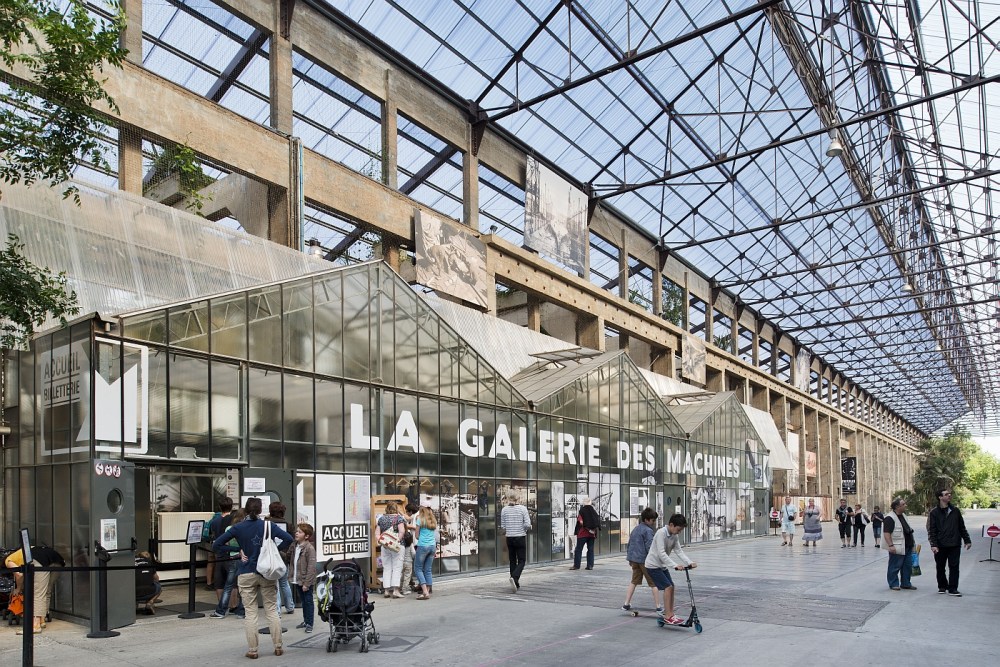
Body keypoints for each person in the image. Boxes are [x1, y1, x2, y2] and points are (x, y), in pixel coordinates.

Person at [212, 497, 293, 659]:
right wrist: (275, 550)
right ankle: (278, 647)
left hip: (246, 572)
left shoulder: (238, 527)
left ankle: (253, 650)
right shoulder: (268, 526)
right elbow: (289, 539)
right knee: (271, 610)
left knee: (250, 612)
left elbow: (217, 545)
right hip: (266, 573)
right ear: (261, 509)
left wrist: (238, 549)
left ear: (246, 510)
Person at [644, 513, 696, 625]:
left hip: (661, 566)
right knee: (667, 587)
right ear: (671, 525)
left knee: (672, 587)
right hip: (652, 566)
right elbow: (661, 553)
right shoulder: (661, 533)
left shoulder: (674, 535)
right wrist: (675, 565)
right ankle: (668, 615)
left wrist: (689, 562)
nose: (679, 532)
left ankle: (670, 614)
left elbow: (679, 551)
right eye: (678, 529)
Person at [4, 544, 65, 635]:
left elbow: (19, 575)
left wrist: (18, 588)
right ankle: (42, 620)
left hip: (39, 560)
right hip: (57, 560)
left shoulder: (8, 560)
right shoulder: (25, 550)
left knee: (37, 592)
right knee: (46, 591)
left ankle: (35, 625)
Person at [926, 488, 972, 597]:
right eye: (946, 494)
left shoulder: (955, 511)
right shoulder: (934, 512)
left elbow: (961, 527)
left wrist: (967, 540)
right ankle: (942, 586)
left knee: (954, 567)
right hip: (940, 544)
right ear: (940, 497)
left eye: (950, 494)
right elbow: (932, 530)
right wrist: (933, 544)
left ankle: (953, 588)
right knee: (940, 566)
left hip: (954, 544)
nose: (949, 495)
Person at [621, 507, 662, 613]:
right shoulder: (648, 531)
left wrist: (630, 559)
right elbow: (650, 547)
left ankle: (626, 603)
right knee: (653, 583)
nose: (653, 523)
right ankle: (658, 606)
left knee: (633, 581)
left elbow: (630, 545)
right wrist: (656, 560)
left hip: (634, 560)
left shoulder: (636, 529)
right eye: (653, 520)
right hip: (645, 561)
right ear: (647, 520)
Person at [211, 508, 246, 618]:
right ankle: (241, 610)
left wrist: (235, 549)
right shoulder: (246, 527)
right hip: (245, 558)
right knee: (244, 586)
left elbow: (223, 543)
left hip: (232, 557)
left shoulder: (229, 528)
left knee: (228, 585)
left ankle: (221, 611)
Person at [499, 490, 532, 592]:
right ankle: (515, 577)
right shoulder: (523, 509)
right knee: (522, 560)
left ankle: (515, 584)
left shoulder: (504, 510)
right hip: (520, 537)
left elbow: (503, 527)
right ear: (518, 498)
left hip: (509, 537)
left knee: (512, 560)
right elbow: (527, 524)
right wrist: (527, 528)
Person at [267, 501, 295, 614]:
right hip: (284, 556)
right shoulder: (289, 525)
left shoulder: (267, 523)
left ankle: (277, 609)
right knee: (284, 582)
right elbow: (291, 540)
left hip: (271, 556)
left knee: (274, 583)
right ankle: (290, 606)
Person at [882, 497, 916, 591]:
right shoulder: (890, 518)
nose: (905, 506)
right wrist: (891, 545)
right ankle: (893, 584)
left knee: (907, 566)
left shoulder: (903, 515)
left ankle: (906, 583)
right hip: (897, 546)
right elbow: (886, 533)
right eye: (903, 504)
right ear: (897, 506)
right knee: (895, 566)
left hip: (907, 545)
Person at [375, 501, 407, 599]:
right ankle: (396, 591)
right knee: (397, 567)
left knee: (387, 567)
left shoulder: (381, 519)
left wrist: (382, 541)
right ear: (396, 508)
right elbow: (402, 531)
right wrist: (396, 541)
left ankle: (386, 591)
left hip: (385, 546)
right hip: (397, 546)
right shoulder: (399, 518)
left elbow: (377, 533)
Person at [290, 523, 317, 632]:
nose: (296, 533)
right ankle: (305, 620)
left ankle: (309, 623)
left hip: (305, 581)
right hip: (297, 579)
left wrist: (307, 583)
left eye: (300, 532)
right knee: (303, 601)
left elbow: (311, 567)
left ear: (306, 536)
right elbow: (289, 558)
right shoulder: (295, 546)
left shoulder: (309, 548)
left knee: (308, 601)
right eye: (296, 531)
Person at [411, 506, 438, 600]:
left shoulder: (420, 519)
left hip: (423, 546)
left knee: (417, 568)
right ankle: (428, 589)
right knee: (428, 569)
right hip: (432, 546)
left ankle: (425, 592)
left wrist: (421, 538)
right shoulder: (433, 520)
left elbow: (417, 535)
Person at [571, 496, 600, 570]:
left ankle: (576, 565)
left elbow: (580, 522)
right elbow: (597, 520)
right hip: (592, 534)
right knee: (590, 549)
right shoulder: (594, 511)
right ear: (590, 503)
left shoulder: (582, 510)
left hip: (583, 533)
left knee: (578, 549)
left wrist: (584, 526)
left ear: (584, 503)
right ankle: (590, 565)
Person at [399, 501, 420, 595]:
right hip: (414, 544)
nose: (407, 513)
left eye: (407, 511)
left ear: (411, 511)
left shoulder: (416, 516)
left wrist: (406, 526)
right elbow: (408, 518)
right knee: (408, 572)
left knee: (416, 568)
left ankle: (414, 584)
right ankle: (408, 585)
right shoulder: (417, 515)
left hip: (416, 541)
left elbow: (413, 525)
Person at [135, 550, 161, 615]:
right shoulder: (150, 563)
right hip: (150, 592)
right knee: (158, 587)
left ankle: (134, 604)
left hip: (134, 593)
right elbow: (157, 579)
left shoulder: (132, 562)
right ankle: (150, 602)